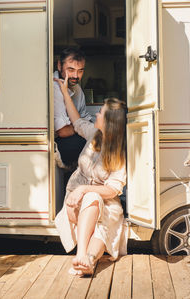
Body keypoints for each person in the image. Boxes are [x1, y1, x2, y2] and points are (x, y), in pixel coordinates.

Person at [54, 72, 127, 276]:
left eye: (101, 113)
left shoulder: (118, 152)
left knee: (102, 222)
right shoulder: (94, 135)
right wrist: (64, 92)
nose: (97, 115)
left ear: (110, 122)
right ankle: (85, 256)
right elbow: (76, 121)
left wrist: (86, 189)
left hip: (106, 201)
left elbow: (113, 189)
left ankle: (86, 259)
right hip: (76, 199)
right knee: (92, 203)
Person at [54, 48, 91, 169]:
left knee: (97, 138)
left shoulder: (77, 89)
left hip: (72, 138)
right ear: (59, 65)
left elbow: (86, 121)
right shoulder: (54, 88)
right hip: (56, 144)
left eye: (80, 71)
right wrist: (80, 124)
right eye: (71, 70)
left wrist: (76, 125)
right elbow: (63, 132)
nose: (75, 76)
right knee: (90, 143)